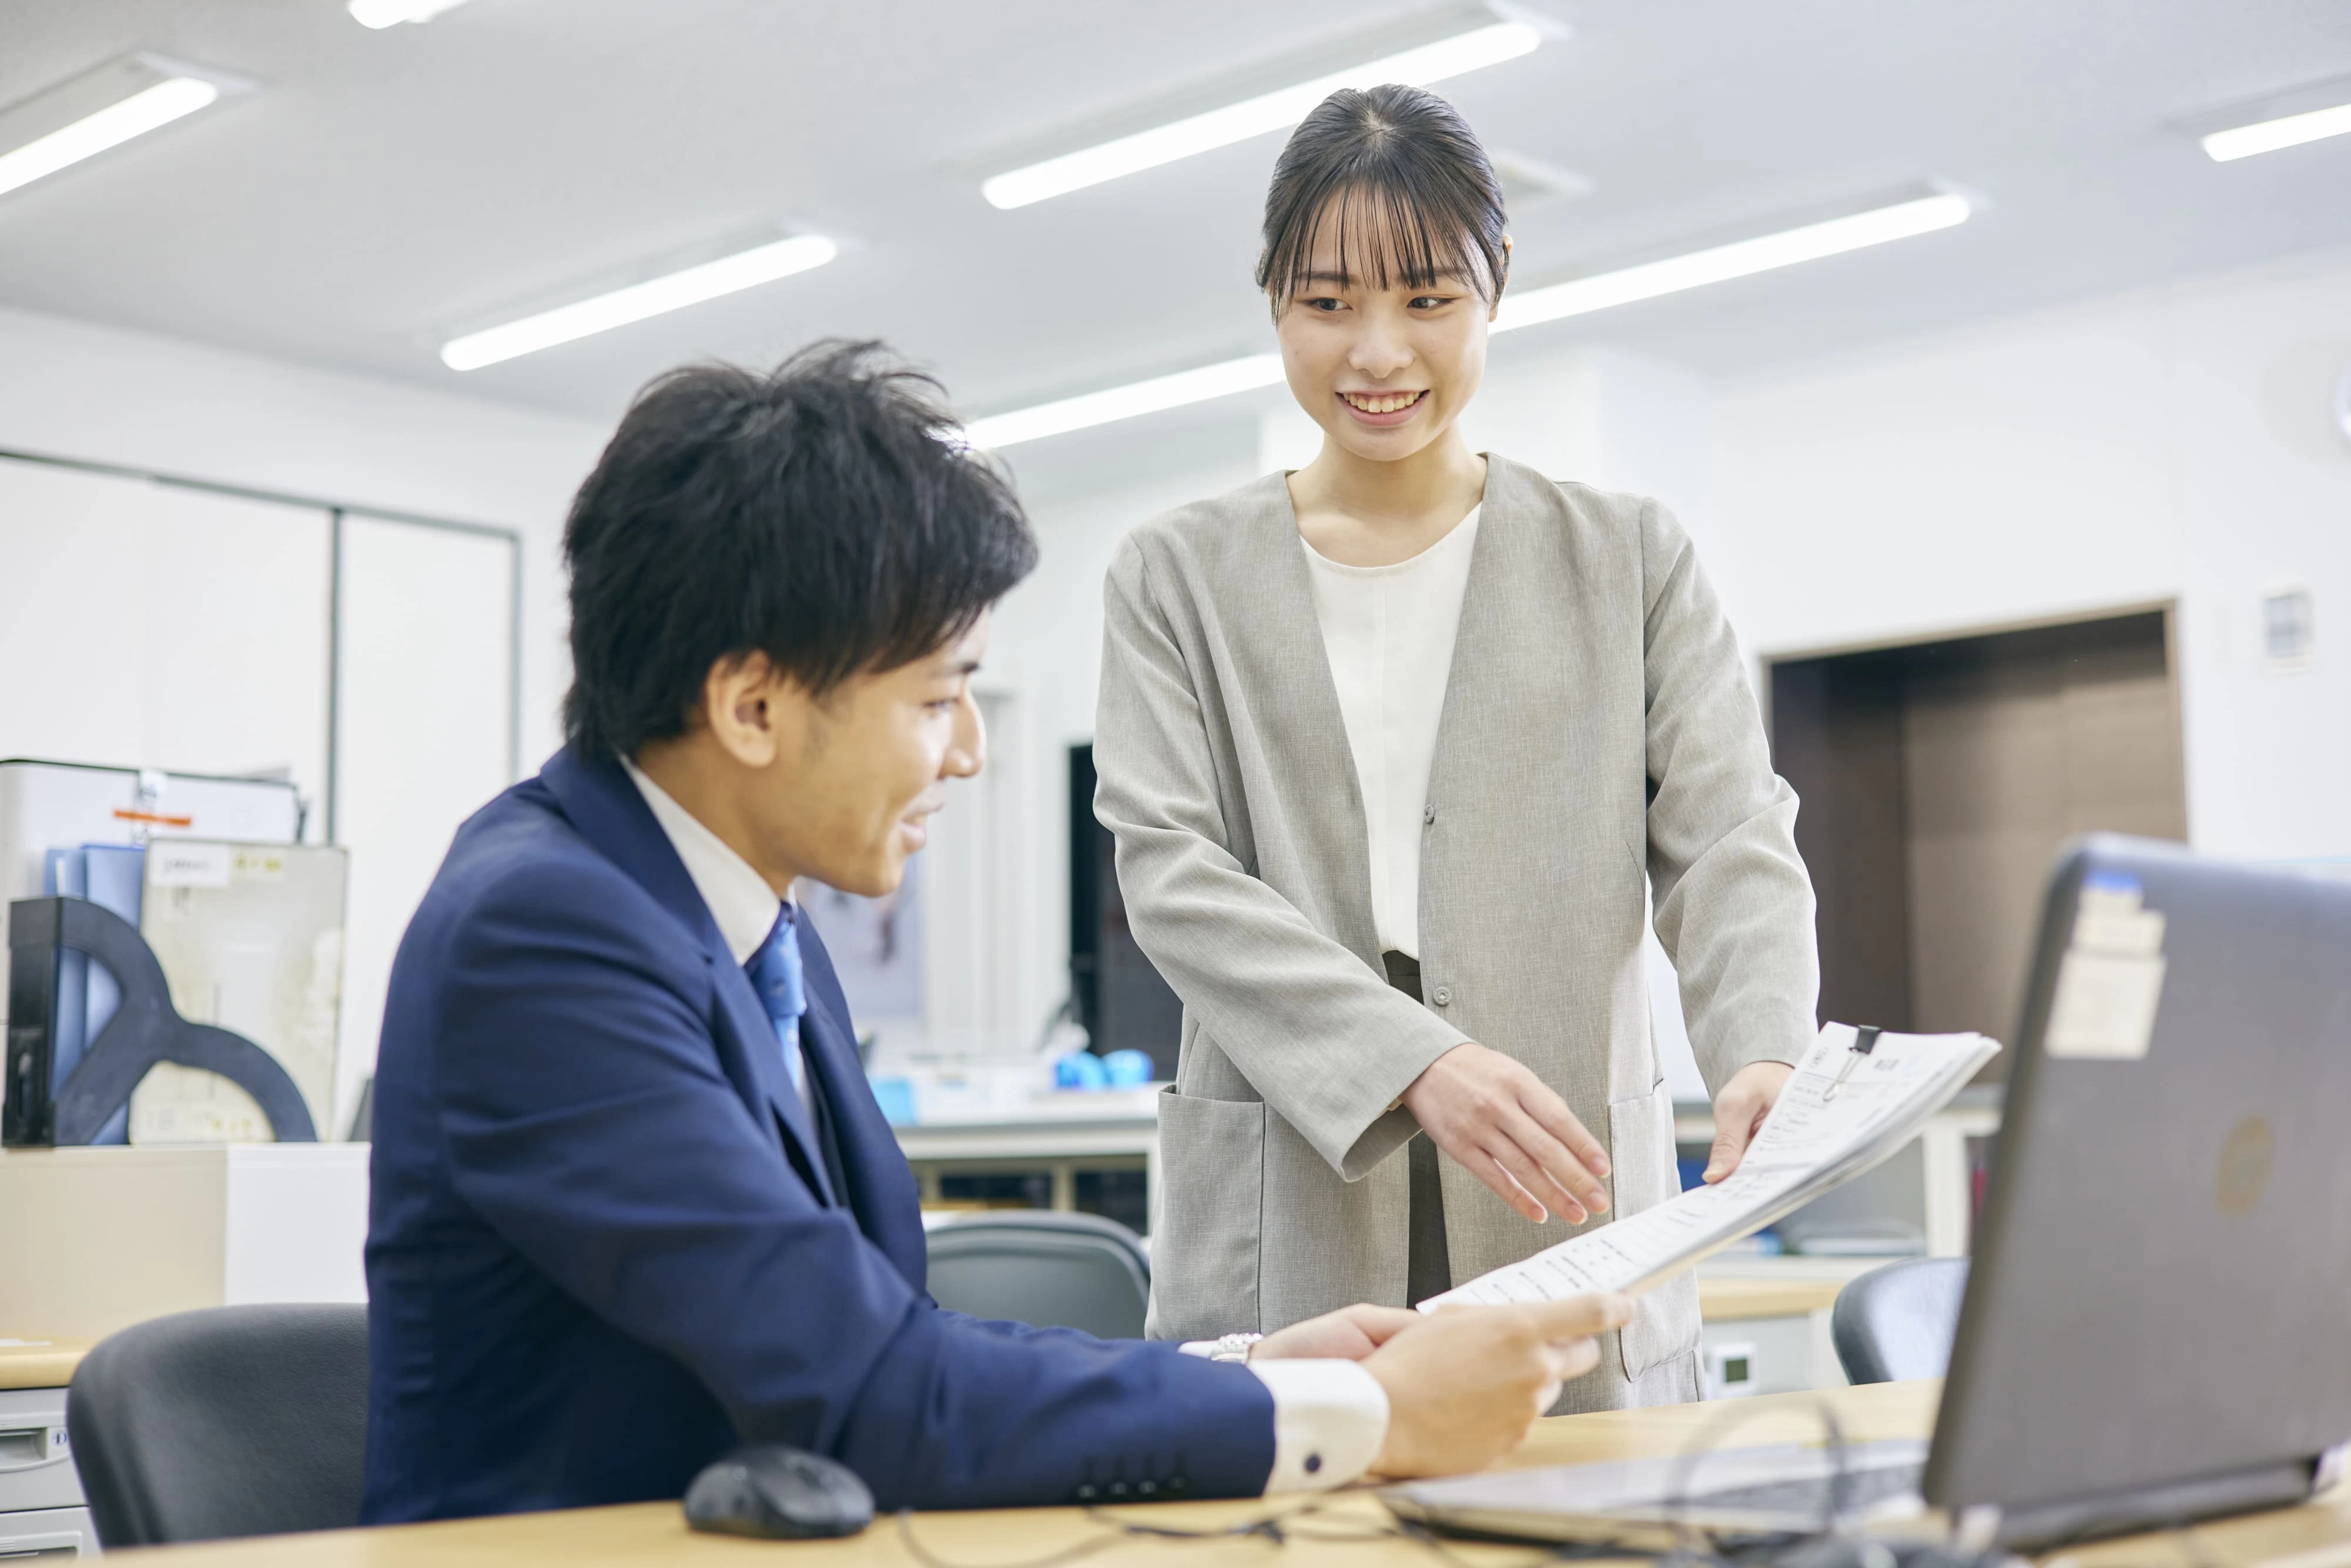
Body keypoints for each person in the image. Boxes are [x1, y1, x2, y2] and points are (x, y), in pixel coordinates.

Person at [360, 341, 1633, 1522]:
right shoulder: (544, 934)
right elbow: (866, 1387)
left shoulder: (745, 926)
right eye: (936, 696)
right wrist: (1363, 1415)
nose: (969, 753)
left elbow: (879, 1331)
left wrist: (1245, 1367)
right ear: (750, 703)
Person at [1092, 86, 1819, 1408]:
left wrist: (1761, 1042)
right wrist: (1411, 1059)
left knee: (1591, 1509)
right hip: (1293, 1177)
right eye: (1327, 303)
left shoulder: (1625, 555)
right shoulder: (1173, 576)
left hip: (1560, 1167)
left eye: (1427, 299)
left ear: (1493, 291)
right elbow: (1170, 872)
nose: (1377, 351)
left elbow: (1726, 831)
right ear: (1272, 301)